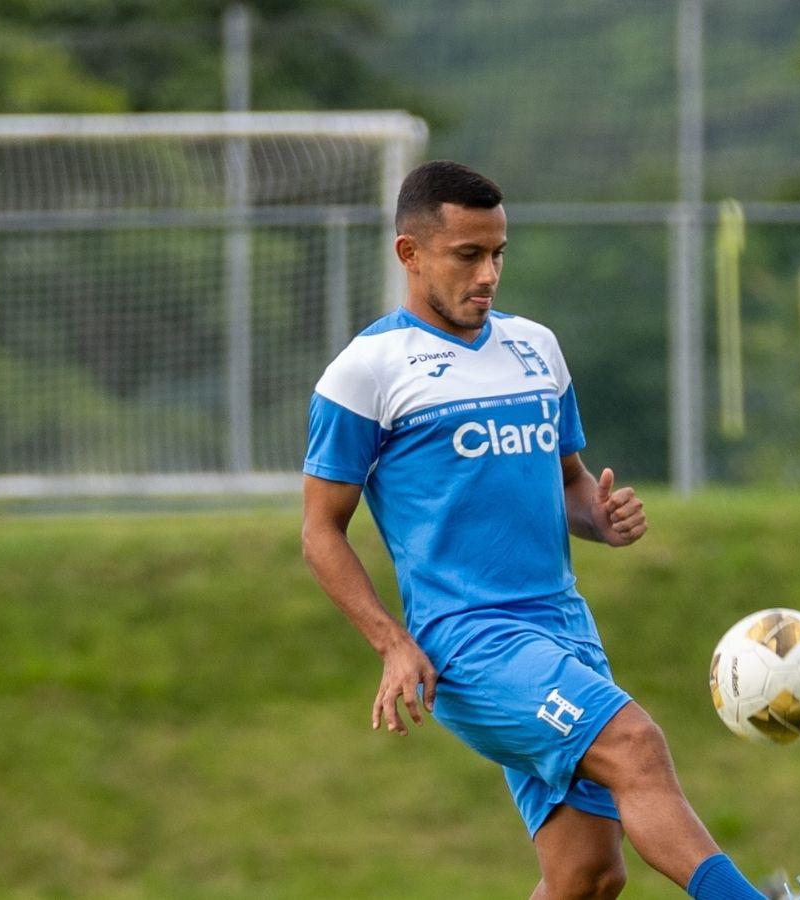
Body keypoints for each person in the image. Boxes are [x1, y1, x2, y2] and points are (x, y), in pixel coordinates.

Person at [302, 160, 770, 899]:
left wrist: (601, 518)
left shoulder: (535, 349)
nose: (488, 274)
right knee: (635, 747)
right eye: (467, 255)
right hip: (469, 642)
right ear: (409, 254)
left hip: (563, 627)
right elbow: (320, 532)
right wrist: (392, 644)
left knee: (586, 876)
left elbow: (571, 483)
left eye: (498, 254)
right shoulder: (367, 371)